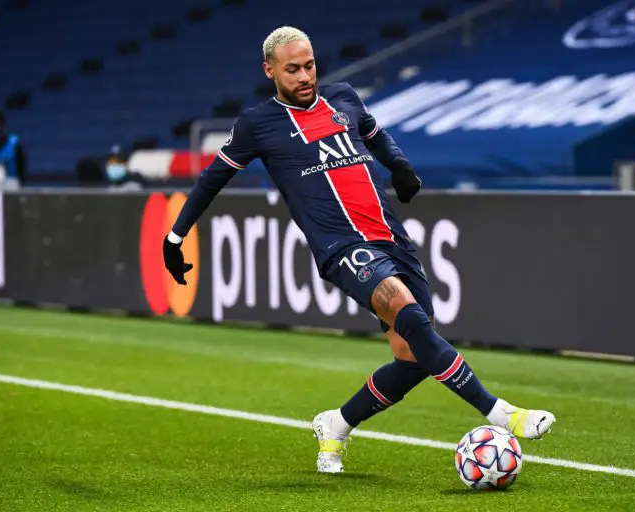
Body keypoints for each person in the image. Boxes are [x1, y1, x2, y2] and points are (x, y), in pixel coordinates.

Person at [162, 26, 556, 474]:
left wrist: (400, 166)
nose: (305, 76)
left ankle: (337, 423)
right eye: (292, 70)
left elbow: (375, 135)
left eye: (309, 66)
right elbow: (212, 179)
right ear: (269, 71)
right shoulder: (259, 123)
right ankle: (503, 414)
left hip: (390, 237)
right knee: (410, 316)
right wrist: (175, 237)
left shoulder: (344, 97)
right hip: (342, 247)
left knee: (414, 358)